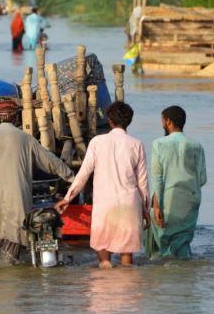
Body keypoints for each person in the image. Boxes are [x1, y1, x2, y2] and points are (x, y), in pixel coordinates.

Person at [0, 99, 75, 264]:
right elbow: (50, 162)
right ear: (16, 118)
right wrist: (72, 177)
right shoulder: (26, 138)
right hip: (15, 197)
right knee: (12, 243)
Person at [56, 101, 150, 268]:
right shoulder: (137, 145)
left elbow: (83, 173)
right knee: (127, 259)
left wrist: (67, 198)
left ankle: (104, 286)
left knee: (104, 257)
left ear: (109, 120)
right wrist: (145, 210)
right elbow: (142, 183)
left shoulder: (97, 142)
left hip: (105, 204)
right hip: (129, 203)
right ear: (129, 121)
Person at [145, 106, 207, 260]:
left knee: (164, 246)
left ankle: (168, 279)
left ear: (168, 122)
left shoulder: (158, 144)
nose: (162, 124)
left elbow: (157, 178)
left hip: (167, 200)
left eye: (162, 121)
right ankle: (185, 280)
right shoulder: (196, 146)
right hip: (191, 201)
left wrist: (157, 205)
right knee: (183, 244)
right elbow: (203, 179)